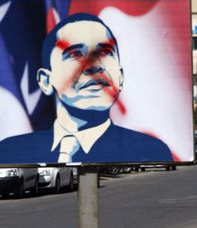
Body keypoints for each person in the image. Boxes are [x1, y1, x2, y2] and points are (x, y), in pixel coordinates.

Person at [0, 13, 173, 164]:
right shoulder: (11, 152)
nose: (93, 66)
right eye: (75, 54)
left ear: (120, 77)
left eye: (105, 53)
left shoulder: (150, 152)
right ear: (45, 81)